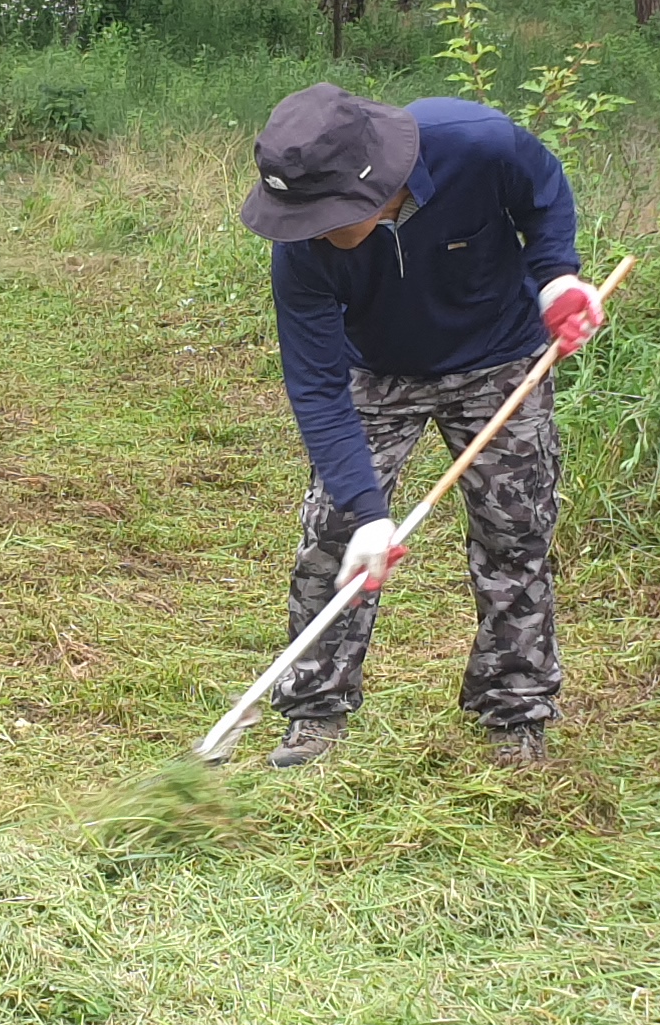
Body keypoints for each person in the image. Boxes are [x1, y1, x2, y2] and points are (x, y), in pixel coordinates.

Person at [236, 82, 602, 768]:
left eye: (321, 213)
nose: (308, 230)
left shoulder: (477, 141)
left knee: (515, 534)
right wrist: (370, 512)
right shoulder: (302, 248)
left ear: (372, 187)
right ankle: (316, 712)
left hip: (501, 362)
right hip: (376, 371)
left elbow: (544, 192)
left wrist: (557, 278)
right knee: (337, 538)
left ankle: (514, 710)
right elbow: (317, 387)